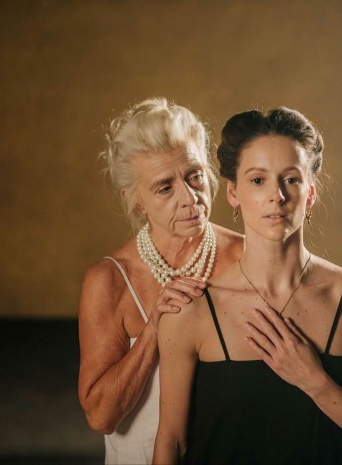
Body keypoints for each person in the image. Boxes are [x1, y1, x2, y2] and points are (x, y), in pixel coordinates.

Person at [153, 107, 342, 464]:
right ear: (232, 192)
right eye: (258, 180)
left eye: (290, 179)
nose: (276, 195)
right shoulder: (192, 310)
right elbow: (171, 443)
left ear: (310, 192)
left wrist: (314, 381)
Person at [78, 98, 244, 464]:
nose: (190, 198)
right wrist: (155, 327)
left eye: (195, 175)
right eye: (165, 188)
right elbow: (101, 416)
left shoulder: (248, 259)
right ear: (135, 201)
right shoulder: (109, 280)